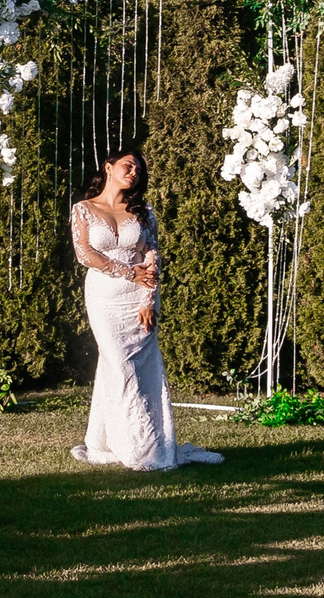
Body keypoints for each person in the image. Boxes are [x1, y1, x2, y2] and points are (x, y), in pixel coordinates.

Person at [69, 147, 223, 470]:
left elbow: (152, 254)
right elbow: (85, 254)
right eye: (128, 165)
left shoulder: (142, 211)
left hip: (138, 300)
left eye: (138, 169)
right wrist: (128, 272)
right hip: (104, 298)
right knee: (120, 364)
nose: (133, 172)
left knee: (137, 367)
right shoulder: (83, 210)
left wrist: (148, 299)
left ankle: (109, 441)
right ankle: (143, 447)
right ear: (108, 167)